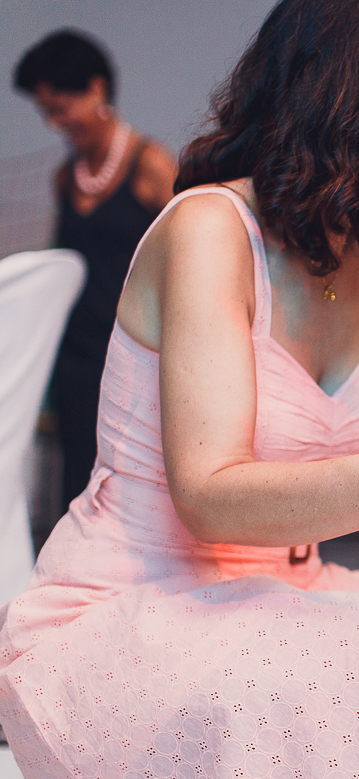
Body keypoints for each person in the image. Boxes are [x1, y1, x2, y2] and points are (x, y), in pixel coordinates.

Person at [0, 1, 359, 779]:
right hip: (139, 611)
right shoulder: (210, 229)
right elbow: (211, 497)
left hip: (295, 596)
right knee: (331, 668)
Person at [14, 30, 177, 535]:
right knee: (76, 480)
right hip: (77, 357)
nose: (57, 123)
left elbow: (190, 257)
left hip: (134, 354)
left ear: (97, 89)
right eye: (47, 112)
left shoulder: (150, 166)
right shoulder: (66, 179)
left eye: (63, 107)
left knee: (129, 482)